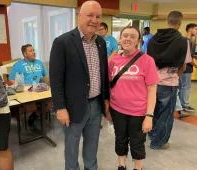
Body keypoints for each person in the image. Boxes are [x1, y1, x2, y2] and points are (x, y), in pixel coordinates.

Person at [49, 1, 109, 170]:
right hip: (73, 106)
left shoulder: (101, 43)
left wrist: (105, 98)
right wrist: (60, 107)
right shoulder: (63, 42)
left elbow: (103, 73)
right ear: (79, 16)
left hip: (96, 105)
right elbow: (56, 79)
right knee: (72, 146)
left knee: (92, 145)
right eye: (90, 15)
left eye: (98, 17)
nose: (94, 20)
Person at [107, 26, 158, 170]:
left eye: (132, 36)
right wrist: (108, 108)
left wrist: (149, 115)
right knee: (120, 139)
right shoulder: (113, 61)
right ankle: (121, 165)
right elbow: (110, 86)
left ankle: (137, 168)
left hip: (139, 111)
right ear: (120, 39)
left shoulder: (147, 60)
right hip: (117, 109)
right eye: (125, 35)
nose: (128, 39)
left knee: (137, 142)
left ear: (138, 41)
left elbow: (152, 89)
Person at [147, 11, 192, 149]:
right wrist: (175, 75)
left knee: (152, 111)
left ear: (167, 21)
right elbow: (183, 66)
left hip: (152, 82)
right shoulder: (183, 41)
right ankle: (158, 142)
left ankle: (152, 134)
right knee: (165, 115)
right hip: (169, 82)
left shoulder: (153, 39)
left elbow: (147, 61)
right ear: (180, 23)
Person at [9, 44, 52, 126]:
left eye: (33, 50)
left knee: (49, 105)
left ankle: (35, 115)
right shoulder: (18, 65)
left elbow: (46, 76)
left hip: (40, 90)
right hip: (27, 92)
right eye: (30, 51)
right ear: (25, 54)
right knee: (31, 108)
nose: (33, 52)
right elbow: (11, 79)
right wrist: (23, 86)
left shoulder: (39, 62)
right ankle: (37, 112)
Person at [178, 23, 197, 113]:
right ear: (190, 30)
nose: (196, 31)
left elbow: (191, 55)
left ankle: (181, 105)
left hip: (183, 68)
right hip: (186, 68)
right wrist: (196, 65)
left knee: (182, 86)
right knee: (186, 87)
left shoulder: (188, 41)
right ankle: (184, 105)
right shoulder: (187, 41)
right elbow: (188, 58)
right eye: (195, 29)